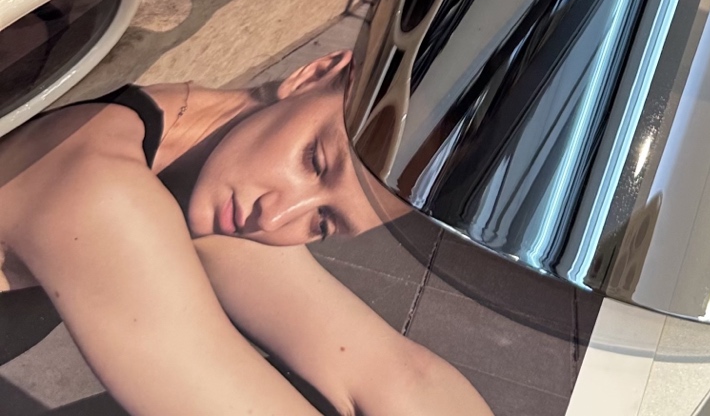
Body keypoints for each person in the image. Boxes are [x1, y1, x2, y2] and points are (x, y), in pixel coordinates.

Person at [0, 49, 493, 416]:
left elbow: (399, 375)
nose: (275, 218)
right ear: (314, 74)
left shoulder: (207, 183)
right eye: (313, 161)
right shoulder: (101, 189)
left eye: (323, 222)